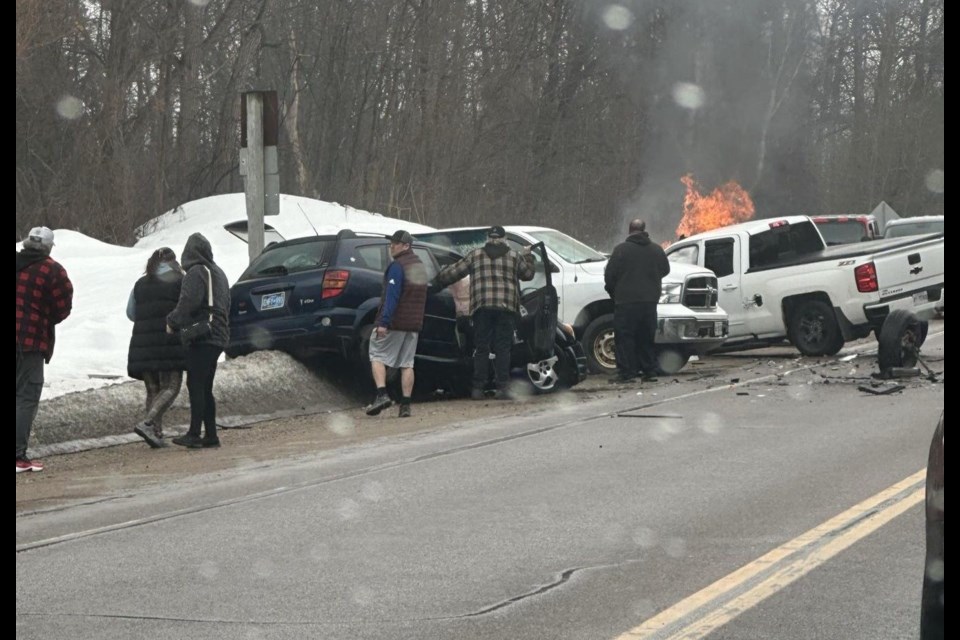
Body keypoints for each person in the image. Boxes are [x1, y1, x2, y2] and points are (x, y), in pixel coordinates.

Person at [434, 225, 535, 400]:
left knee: (482, 348)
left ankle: (478, 389)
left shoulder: (476, 255)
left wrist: (436, 279)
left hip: (481, 308)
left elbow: (454, 273)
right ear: (504, 239)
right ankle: (502, 387)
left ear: (488, 238)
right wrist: (528, 256)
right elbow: (528, 275)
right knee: (503, 348)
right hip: (506, 308)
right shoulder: (513, 256)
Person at [165, 233, 230, 449]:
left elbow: (189, 302)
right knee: (205, 386)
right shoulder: (218, 272)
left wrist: (172, 321)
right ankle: (210, 435)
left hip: (203, 335)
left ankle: (194, 433)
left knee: (195, 384)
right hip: (219, 335)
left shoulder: (196, 272)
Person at [16, 226, 74, 473]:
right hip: (30, 342)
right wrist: (44, 317)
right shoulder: (52, 270)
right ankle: (18, 456)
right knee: (26, 397)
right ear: (49, 247)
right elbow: (63, 307)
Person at [126, 247, 187, 448]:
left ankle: (156, 434)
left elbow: (131, 313)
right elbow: (185, 309)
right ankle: (149, 423)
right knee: (171, 386)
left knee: (153, 390)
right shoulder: (179, 281)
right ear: (173, 261)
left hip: (142, 343)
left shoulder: (140, 284)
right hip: (168, 341)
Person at [365, 230, 429, 418]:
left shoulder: (397, 266)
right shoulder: (419, 266)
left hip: (396, 322)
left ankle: (382, 395)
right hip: (413, 324)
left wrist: (383, 322)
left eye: (395, 243)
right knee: (407, 363)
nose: (391, 246)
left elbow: (392, 296)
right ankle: (406, 405)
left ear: (406, 246)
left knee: (376, 354)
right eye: (391, 243)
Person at [604, 218, 670, 384]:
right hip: (649, 302)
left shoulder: (620, 250)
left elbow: (610, 276)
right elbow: (665, 270)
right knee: (646, 337)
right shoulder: (656, 250)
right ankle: (649, 371)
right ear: (644, 230)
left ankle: (627, 373)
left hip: (625, 302)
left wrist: (615, 293)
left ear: (629, 230)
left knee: (625, 337)